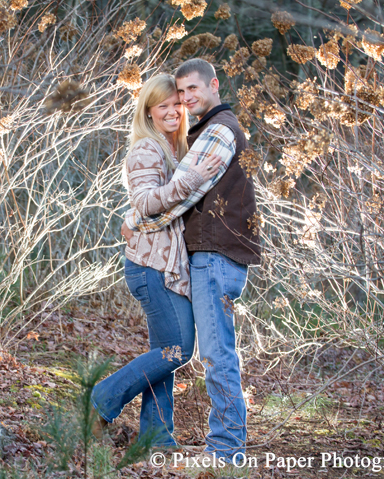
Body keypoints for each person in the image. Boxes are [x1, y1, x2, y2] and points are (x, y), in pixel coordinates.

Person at [123, 59, 262, 462]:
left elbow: (182, 194)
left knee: (213, 353)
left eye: (190, 92)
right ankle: (157, 438)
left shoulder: (218, 130)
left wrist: (134, 218)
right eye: (179, 94)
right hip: (199, 258)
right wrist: (139, 213)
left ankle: (226, 448)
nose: (184, 101)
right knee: (179, 350)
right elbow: (175, 190)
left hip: (216, 256)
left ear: (214, 85)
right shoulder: (192, 135)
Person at [90, 74, 224, 447]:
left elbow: (152, 210)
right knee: (177, 350)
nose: (172, 111)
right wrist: (192, 179)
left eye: (176, 104)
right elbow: (146, 202)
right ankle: (101, 400)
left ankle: (157, 439)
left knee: (163, 352)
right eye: (162, 105)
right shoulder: (147, 150)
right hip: (151, 267)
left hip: (164, 266)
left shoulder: (176, 149)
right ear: (149, 112)